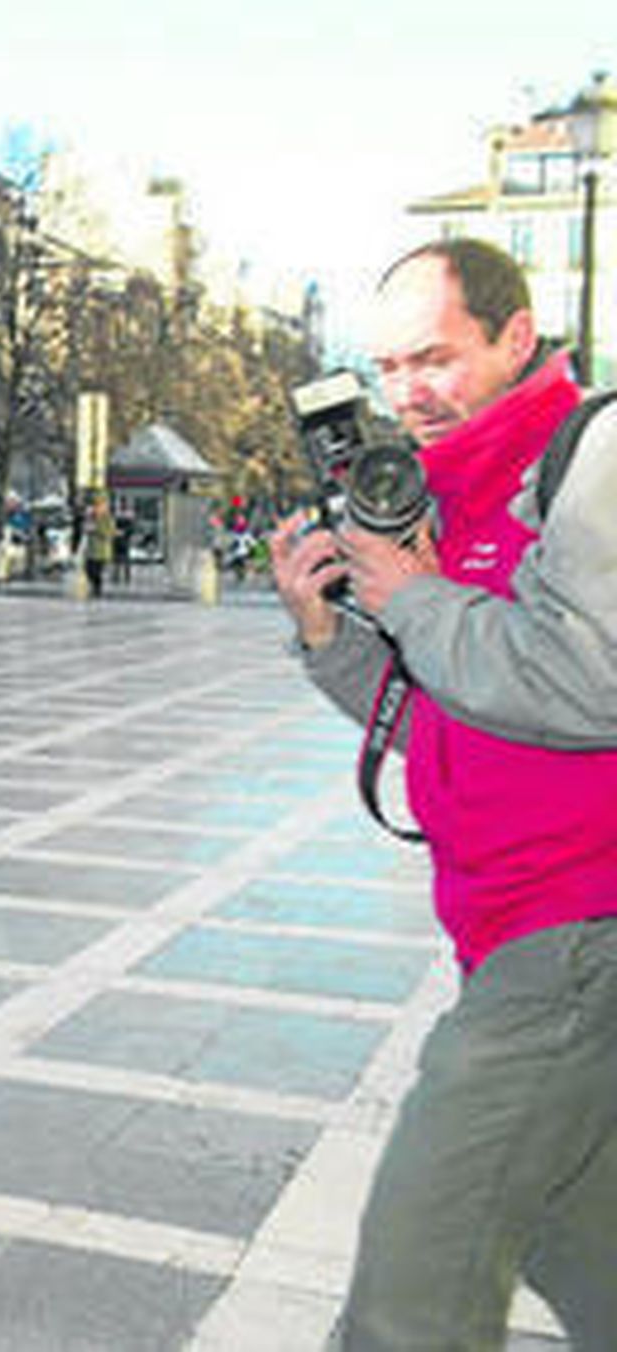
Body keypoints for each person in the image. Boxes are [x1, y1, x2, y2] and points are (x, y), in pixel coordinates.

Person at [269, 237, 617, 1350]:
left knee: (407, 1298)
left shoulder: (591, 456)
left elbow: (591, 679)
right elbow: (444, 718)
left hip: (573, 932)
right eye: (387, 368)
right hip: (504, 928)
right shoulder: (445, 496)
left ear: (516, 337)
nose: (408, 391)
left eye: (434, 356)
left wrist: (414, 596)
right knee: (577, 1240)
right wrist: (330, 629)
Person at [83, 495, 113, 597]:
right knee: (88, 569)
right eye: (95, 505)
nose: (96, 508)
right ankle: (95, 587)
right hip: (91, 550)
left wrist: (96, 530)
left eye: (99, 505)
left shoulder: (106, 518)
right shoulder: (91, 517)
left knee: (96, 571)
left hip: (101, 551)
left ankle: (97, 589)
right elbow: (85, 528)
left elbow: (109, 532)